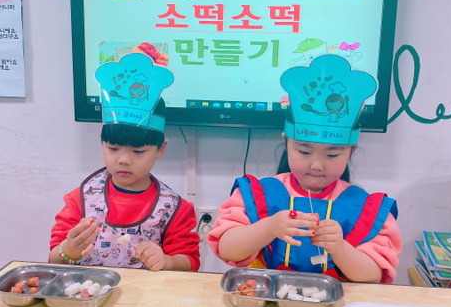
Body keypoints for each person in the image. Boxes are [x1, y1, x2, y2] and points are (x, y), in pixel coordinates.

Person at [208, 54, 401, 283]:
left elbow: (373, 275)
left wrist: (340, 248)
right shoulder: (258, 194)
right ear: (286, 143)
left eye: (332, 154)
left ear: (351, 152)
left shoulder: (365, 207)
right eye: (304, 152)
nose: (316, 165)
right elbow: (227, 248)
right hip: (266, 298)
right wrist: (269, 227)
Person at [49, 53, 200, 271]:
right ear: (102, 142)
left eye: (138, 151)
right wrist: (69, 250)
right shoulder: (81, 200)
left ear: (161, 149)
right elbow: (54, 259)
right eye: (113, 148)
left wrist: (168, 261)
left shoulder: (174, 208)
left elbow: (190, 262)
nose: (124, 160)